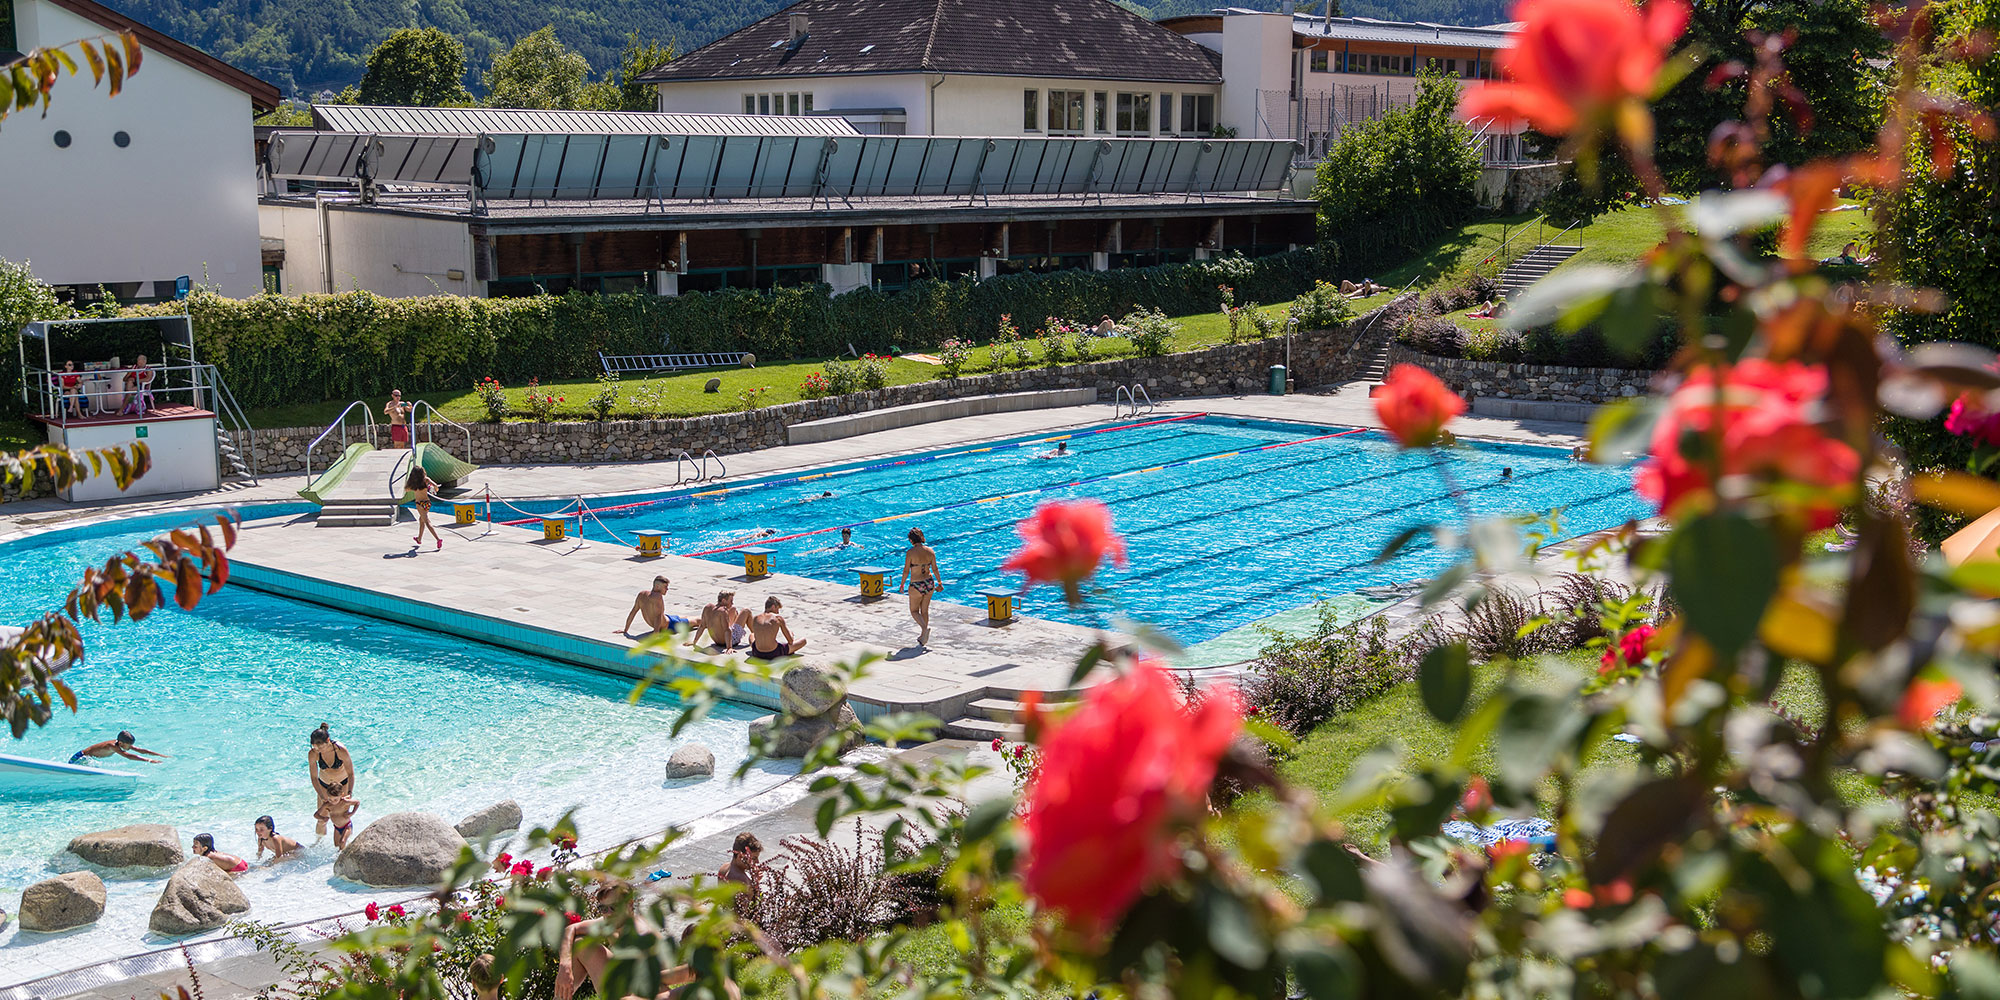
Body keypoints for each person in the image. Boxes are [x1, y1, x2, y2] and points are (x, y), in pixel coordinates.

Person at [309, 723, 361, 848]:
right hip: (324, 786)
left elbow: (350, 773)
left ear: (328, 741)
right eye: (315, 747)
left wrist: (349, 793)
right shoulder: (313, 753)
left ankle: (344, 843)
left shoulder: (340, 750)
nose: (318, 750)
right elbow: (314, 777)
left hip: (342, 785)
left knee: (341, 816)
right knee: (322, 819)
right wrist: (322, 796)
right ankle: (318, 844)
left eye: (320, 747)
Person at [901, 528, 942, 648]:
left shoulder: (910, 553)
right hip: (929, 583)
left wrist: (902, 584)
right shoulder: (930, 551)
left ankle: (925, 628)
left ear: (911, 540)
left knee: (914, 611)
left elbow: (906, 571)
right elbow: (935, 569)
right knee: (924, 611)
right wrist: (939, 582)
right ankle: (923, 636)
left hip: (916, 584)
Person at [622, 576, 690, 638]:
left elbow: (633, 612)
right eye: (665, 587)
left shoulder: (641, 594)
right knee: (697, 621)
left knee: (690, 619)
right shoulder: (657, 597)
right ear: (657, 586)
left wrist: (625, 630)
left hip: (668, 619)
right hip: (671, 624)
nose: (667, 589)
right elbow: (658, 616)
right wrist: (656, 634)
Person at [687, 592, 751, 651]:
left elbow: (702, 626)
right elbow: (727, 630)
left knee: (733, 609)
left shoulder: (707, 607)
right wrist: (729, 648)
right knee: (746, 611)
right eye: (731, 601)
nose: (732, 603)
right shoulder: (723, 611)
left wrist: (694, 642)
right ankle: (755, 637)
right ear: (723, 600)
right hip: (730, 641)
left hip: (717, 641)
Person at [69, 730, 166, 765]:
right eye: (128, 746)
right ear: (120, 743)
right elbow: (129, 756)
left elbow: (140, 750)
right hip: (79, 758)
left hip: (87, 760)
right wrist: (149, 760)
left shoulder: (120, 743)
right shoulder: (112, 746)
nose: (129, 748)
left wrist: (160, 755)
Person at [407, 464, 442, 551]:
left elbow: (406, 490)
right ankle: (419, 539)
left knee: (427, 521)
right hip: (427, 503)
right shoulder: (426, 480)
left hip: (419, 504)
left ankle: (438, 539)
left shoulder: (414, 483)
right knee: (421, 520)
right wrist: (431, 488)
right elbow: (436, 487)